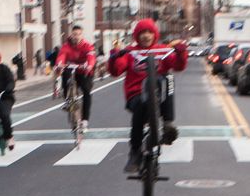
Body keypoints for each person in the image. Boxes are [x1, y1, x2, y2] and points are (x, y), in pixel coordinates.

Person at [108, 18, 187, 174]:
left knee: (168, 77)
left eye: (149, 32)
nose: (146, 35)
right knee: (140, 106)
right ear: (137, 35)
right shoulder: (130, 52)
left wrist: (180, 52)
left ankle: (168, 124)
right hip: (136, 95)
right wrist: (114, 57)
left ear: (154, 34)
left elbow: (179, 66)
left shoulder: (162, 50)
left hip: (160, 95)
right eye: (142, 32)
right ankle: (135, 152)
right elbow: (116, 71)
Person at [53, 25, 97, 133]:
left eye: (78, 34)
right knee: (65, 76)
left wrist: (89, 65)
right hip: (71, 69)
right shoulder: (66, 46)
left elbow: (91, 57)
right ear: (71, 35)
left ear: (82, 35)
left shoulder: (88, 46)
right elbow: (61, 56)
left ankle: (85, 120)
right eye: (74, 34)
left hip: (84, 71)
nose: (76, 36)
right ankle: (68, 100)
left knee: (87, 92)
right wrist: (59, 64)